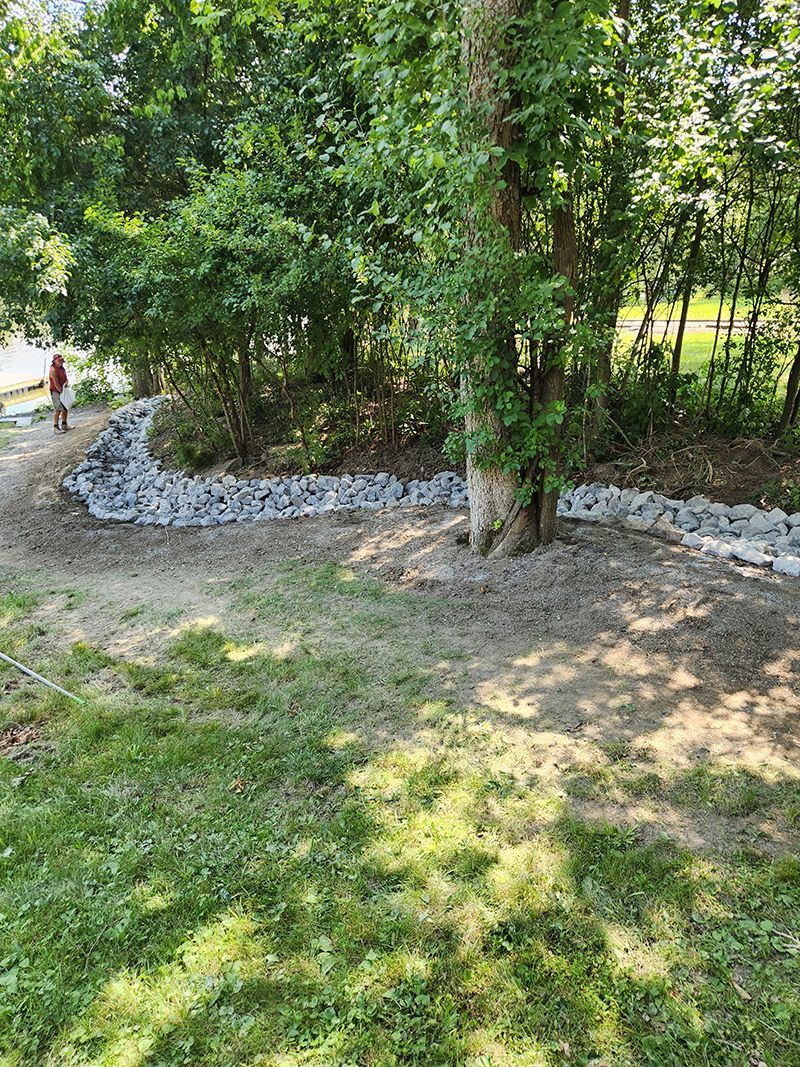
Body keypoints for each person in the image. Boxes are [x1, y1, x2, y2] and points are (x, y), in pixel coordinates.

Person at [48, 353, 70, 433]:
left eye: (61, 360)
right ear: (54, 361)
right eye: (59, 360)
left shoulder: (62, 368)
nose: (61, 362)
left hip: (63, 389)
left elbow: (66, 379)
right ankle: (55, 427)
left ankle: (64, 424)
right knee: (58, 409)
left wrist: (66, 383)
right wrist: (61, 392)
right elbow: (56, 383)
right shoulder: (53, 370)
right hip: (55, 391)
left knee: (65, 407)